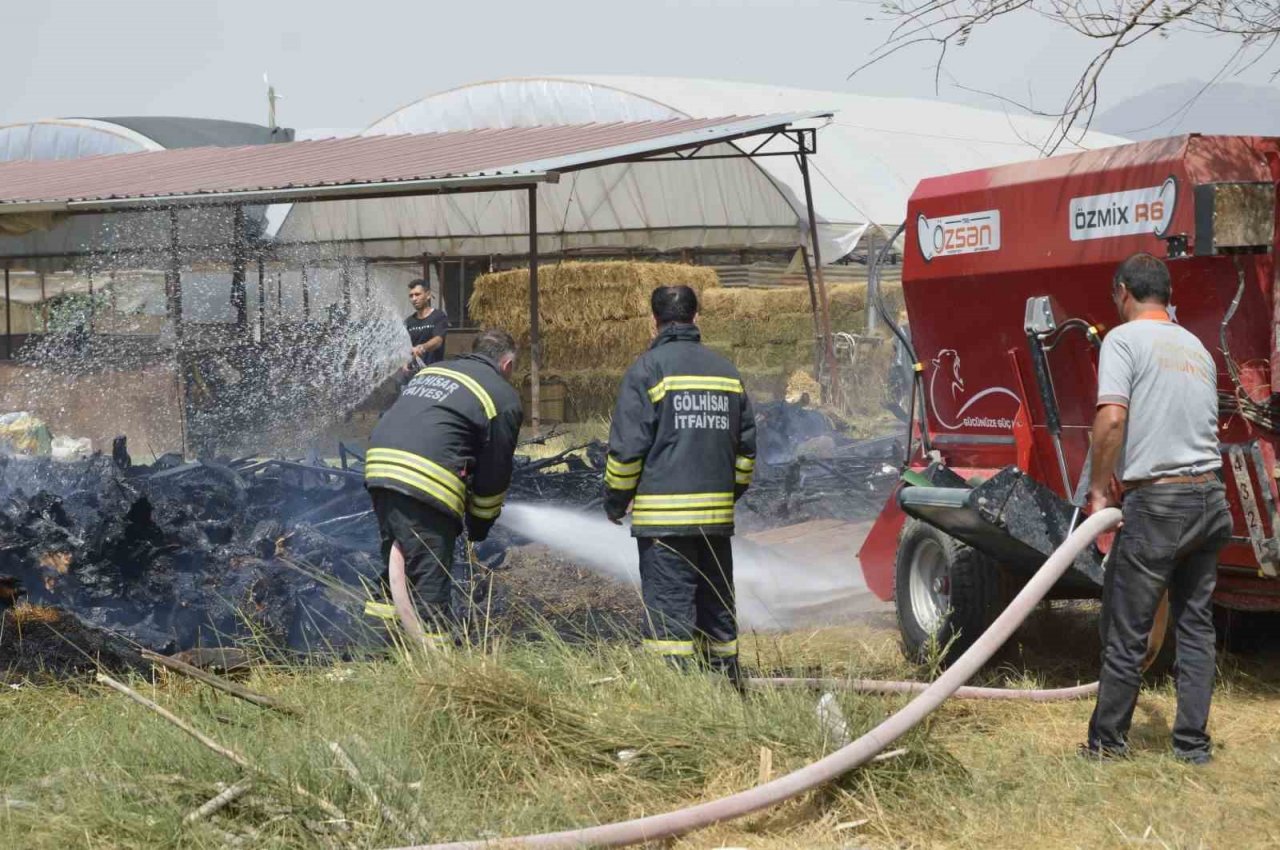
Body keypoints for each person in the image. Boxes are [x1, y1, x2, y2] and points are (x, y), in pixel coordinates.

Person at [1083, 252, 1231, 764]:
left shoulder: (1122, 340)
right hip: (1211, 498)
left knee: (1126, 627)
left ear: (1123, 291)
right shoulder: (1197, 348)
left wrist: (1100, 492)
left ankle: (1106, 747)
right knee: (1195, 628)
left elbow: (1112, 420)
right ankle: (1192, 746)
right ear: (1168, 297)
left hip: (1160, 503)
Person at [604, 285, 756, 683]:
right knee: (717, 610)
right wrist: (727, 495)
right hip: (715, 522)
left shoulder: (647, 370)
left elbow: (626, 452)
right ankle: (725, 686)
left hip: (664, 526)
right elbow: (746, 452)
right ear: (696, 318)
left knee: (669, 618)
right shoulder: (726, 371)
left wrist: (615, 502)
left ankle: (676, 695)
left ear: (653, 322)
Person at [364, 328, 523, 645]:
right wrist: (479, 524)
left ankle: (372, 646)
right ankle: (438, 662)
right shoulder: (503, 397)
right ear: (506, 365)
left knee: (395, 562)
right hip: (426, 480)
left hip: (379, 467)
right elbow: (495, 473)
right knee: (431, 579)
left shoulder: (437, 370)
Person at [404, 279, 449, 370]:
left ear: (428, 295)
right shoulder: (408, 321)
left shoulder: (438, 316)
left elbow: (438, 341)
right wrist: (405, 363)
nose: (414, 299)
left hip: (434, 370)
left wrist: (422, 348)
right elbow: (406, 348)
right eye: (411, 296)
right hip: (415, 372)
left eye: (417, 294)